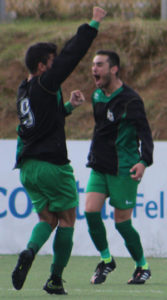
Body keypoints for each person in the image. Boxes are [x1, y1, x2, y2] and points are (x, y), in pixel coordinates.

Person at [11, 7, 107, 295]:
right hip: (52, 166)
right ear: (42, 67)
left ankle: (29, 251)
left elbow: (40, 123)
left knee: (48, 219)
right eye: (51, 63)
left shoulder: (24, 89)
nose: (56, 67)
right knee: (67, 220)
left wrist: (67, 107)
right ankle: (54, 279)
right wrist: (93, 23)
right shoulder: (46, 81)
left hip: (28, 168)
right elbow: (71, 55)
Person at [85, 50, 154, 285]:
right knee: (91, 212)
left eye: (100, 65)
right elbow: (101, 130)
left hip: (124, 167)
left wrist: (144, 161)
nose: (94, 69)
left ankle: (142, 266)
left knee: (122, 223)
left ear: (114, 69)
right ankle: (106, 260)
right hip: (99, 166)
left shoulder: (131, 100)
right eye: (93, 65)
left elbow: (145, 132)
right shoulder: (96, 96)